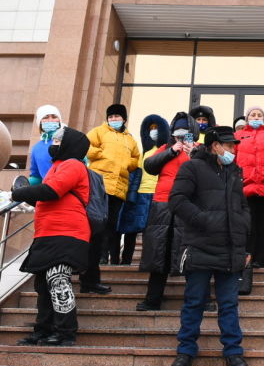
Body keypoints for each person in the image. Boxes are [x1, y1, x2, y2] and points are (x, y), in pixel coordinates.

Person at [168, 125, 251, 366]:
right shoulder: (192, 167)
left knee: (229, 303)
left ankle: (233, 353)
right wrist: (206, 220)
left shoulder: (234, 172)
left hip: (229, 249)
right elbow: (177, 200)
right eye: (228, 145)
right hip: (200, 246)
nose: (232, 149)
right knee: (194, 302)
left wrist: (243, 229)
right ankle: (185, 351)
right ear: (215, 146)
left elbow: (243, 207)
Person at [12, 126, 92, 347]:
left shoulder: (73, 165)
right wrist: (26, 193)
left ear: (69, 145)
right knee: (43, 285)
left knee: (57, 280)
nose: (53, 144)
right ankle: (43, 330)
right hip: (47, 232)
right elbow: (43, 198)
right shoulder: (57, 166)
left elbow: (52, 191)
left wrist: (19, 191)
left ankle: (65, 331)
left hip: (68, 232)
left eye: (58, 141)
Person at [138, 112, 199, 311]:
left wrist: (192, 154)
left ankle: (200, 300)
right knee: (159, 253)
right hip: (162, 206)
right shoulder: (165, 148)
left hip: (189, 207)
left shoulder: (199, 150)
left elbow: (209, 171)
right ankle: (152, 299)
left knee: (191, 254)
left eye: (185, 130)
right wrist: (172, 151)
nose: (181, 134)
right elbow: (149, 166)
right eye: (178, 130)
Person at [84, 104, 140, 294]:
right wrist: (102, 154)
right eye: (111, 116)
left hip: (119, 188)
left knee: (110, 225)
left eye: (117, 116)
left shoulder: (130, 139)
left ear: (124, 119)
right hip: (99, 186)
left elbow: (136, 159)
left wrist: (126, 164)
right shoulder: (99, 132)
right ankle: (98, 258)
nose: (114, 119)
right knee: (96, 224)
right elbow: (86, 146)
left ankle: (104, 255)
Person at [116, 114, 169, 265]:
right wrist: (132, 193)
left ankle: (148, 261)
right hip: (140, 193)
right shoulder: (143, 152)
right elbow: (137, 173)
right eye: (150, 128)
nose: (153, 131)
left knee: (151, 231)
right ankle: (125, 260)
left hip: (157, 194)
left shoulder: (166, 150)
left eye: (156, 128)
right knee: (132, 229)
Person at [236, 106, 264, 268]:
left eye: (259, 115)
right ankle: (247, 257)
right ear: (247, 118)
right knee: (247, 225)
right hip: (245, 187)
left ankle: (261, 259)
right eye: (253, 115)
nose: (256, 117)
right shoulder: (238, 135)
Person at [28, 104, 63, 185]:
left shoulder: (70, 138)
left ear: (59, 120)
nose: (50, 120)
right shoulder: (36, 148)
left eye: (54, 117)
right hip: (48, 193)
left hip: (71, 192)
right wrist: (23, 186)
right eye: (45, 117)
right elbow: (37, 177)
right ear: (39, 122)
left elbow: (83, 165)